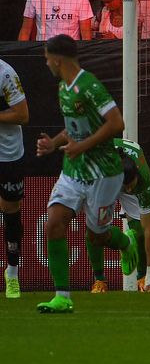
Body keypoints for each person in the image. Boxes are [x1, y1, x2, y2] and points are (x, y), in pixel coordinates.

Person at [34, 34, 138, 312]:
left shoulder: (89, 85)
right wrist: (53, 144)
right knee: (53, 223)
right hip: (74, 170)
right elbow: (74, 129)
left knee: (97, 236)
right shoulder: (63, 89)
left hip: (104, 172)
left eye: (47, 58)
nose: (46, 64)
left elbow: (117, 122)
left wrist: (83, 146)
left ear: (56, 59)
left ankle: (126, 243)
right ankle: (62, 297)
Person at [113, 137, 150, 291]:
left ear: (137, 177)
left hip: (119, 175)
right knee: (97, 225)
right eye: (125, 187)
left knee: (141, 232)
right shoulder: (104, 169)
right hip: (105, 177)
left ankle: (143, 278)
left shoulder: (144, 181)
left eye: (131, 185)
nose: (128, 190)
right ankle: (99, 280)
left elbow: (149, 228)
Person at [0, 55, 28, 299]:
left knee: (11, 211)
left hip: (8, 154)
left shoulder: (5, 73)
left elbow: (22, 115)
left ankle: (12, 274)